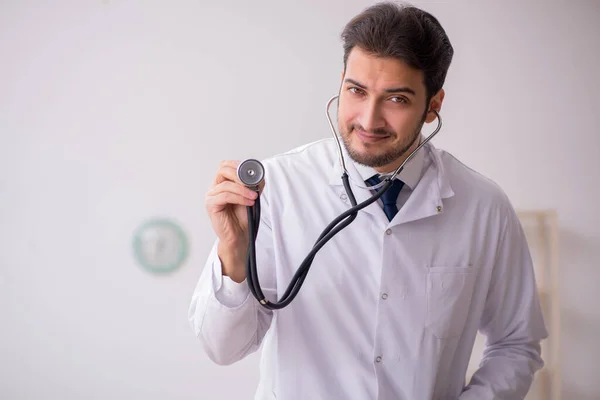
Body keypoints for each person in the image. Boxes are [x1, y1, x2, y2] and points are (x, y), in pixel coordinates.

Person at [188, 2, 548, 399]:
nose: (369, 120)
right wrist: (233, 252)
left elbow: (516, 344)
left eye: (396, 99)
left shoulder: (484, 207)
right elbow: (223, 348)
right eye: (356, 91)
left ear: (433, 105)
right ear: (341, 83)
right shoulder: (277, 190)